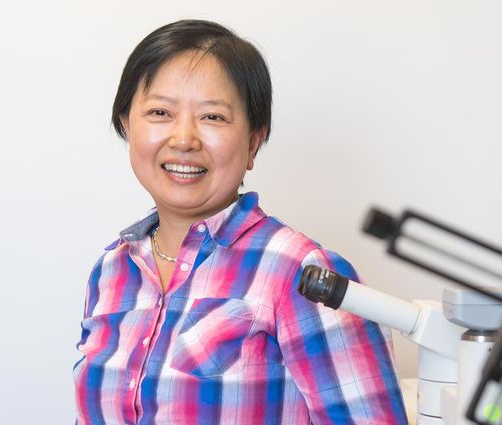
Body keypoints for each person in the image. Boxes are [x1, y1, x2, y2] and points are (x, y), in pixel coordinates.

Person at [73, 19, 407, 425]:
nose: (183, 139)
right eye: (160, 112)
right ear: (127, 125)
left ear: (253, 142)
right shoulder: (112, 270)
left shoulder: (303, 273)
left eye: (212, 117)